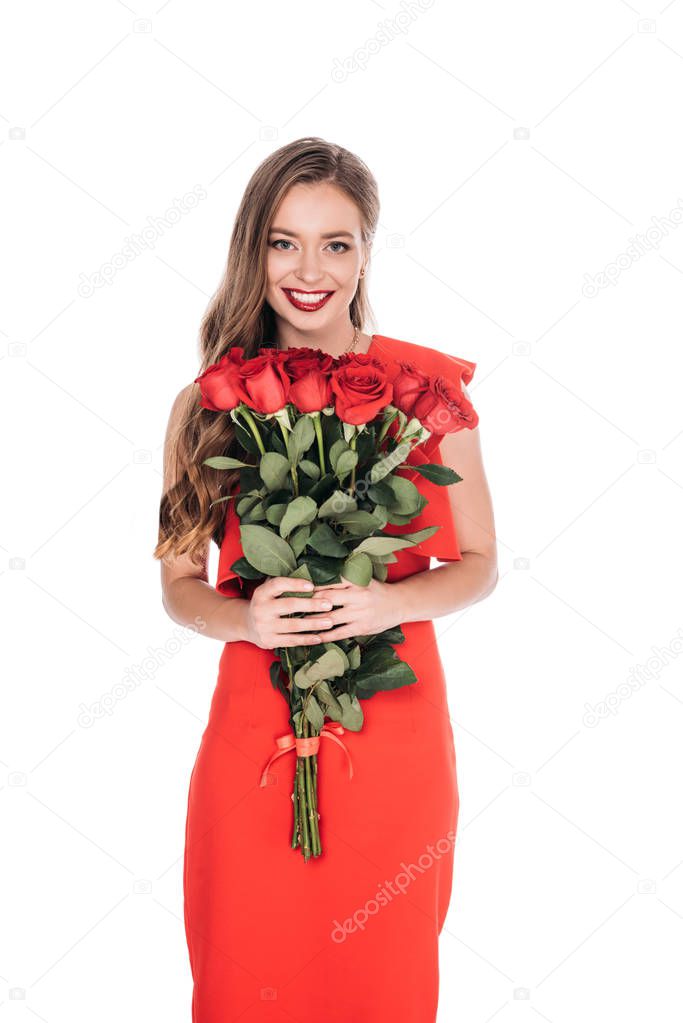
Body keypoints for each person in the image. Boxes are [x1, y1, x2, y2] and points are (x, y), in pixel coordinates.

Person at [155, 136, 497, 1023]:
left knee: (380, 978)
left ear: (365, 252)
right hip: (254, 732)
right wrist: (246, 620)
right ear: (252, 251)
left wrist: (387, 600)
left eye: (335, 243)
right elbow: (178, 586)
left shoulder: (429, 391)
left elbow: (480, 564)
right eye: (283, 241)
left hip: (392, 731)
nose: (310, 270)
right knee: (243, 971)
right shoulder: (206, 406)